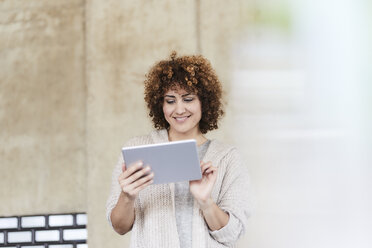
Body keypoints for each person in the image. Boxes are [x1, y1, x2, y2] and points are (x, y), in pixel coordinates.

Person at [106, 52, 251, 248]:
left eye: (188, 99)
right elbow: (119, 227)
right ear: (160, 104)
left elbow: (232, 233)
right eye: (170, 100)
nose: (179, 109)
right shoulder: (137, 149)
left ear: (204, 102)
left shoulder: (227, 158)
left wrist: (205, 201)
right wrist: (127, 197)